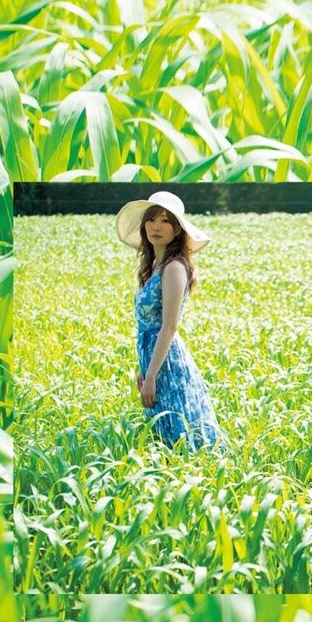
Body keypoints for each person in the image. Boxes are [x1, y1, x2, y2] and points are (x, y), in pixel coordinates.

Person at [114, 189, 224, 450]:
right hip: (152, 357)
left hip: (168, 363)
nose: (156, 226)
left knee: (181, 434)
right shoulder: (154, 266)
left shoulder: (174, 268)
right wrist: (145, 369)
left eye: (165, 220)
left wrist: (152, 375)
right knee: (163, 435)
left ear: (177, 229)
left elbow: (169, 326)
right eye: (151, 219)